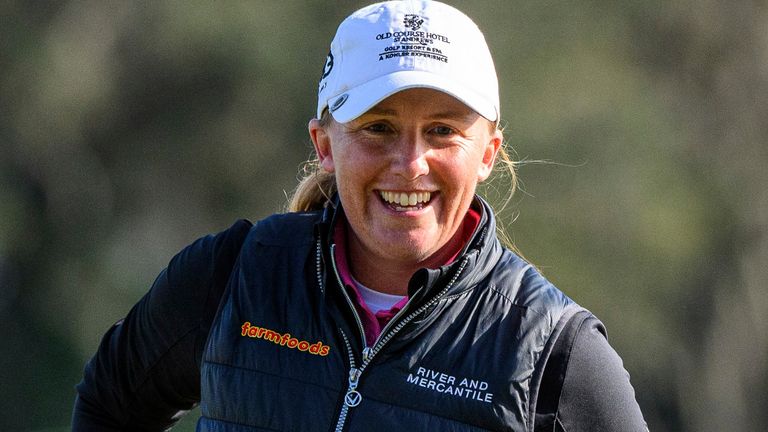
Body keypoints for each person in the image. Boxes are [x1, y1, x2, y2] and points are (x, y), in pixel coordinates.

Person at [73, 1, 647, 431]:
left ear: (489, 153)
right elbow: (109, 402)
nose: (410, 163)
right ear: (324, 144)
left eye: (442, 131)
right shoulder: (233, 276)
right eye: (378, 128)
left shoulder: (555, 352)